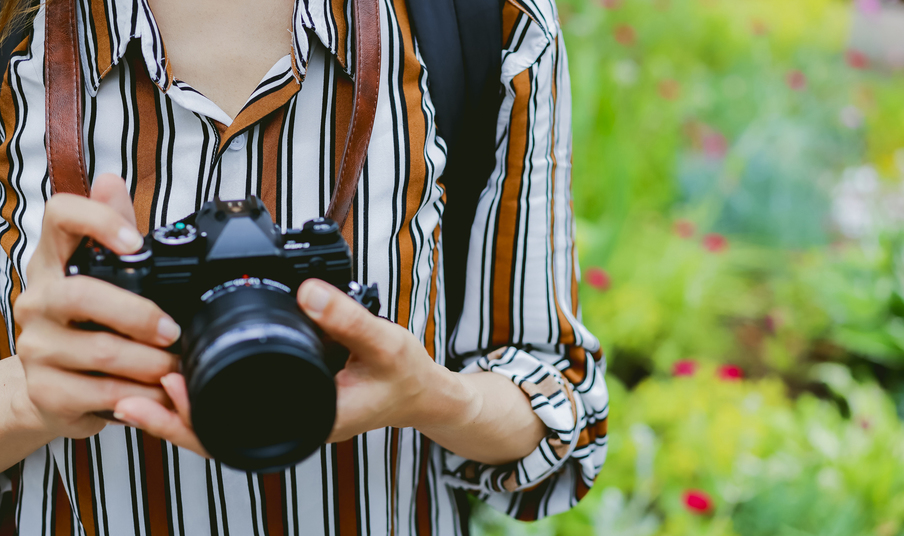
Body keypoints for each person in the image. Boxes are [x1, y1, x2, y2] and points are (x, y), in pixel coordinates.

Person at [0, 0, 608, 533]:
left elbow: (553, 385)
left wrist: (434, 397)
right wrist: (30, 398)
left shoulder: (485, 17)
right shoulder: (18, 40)